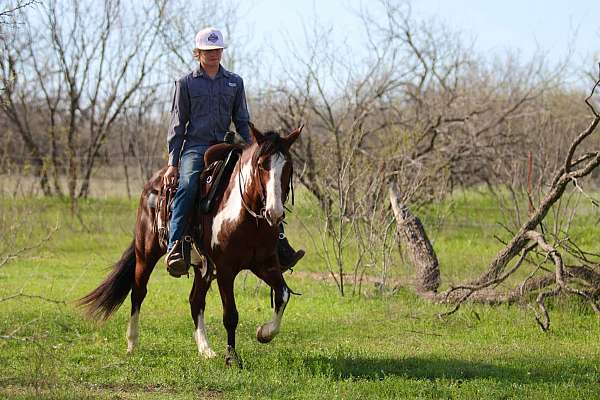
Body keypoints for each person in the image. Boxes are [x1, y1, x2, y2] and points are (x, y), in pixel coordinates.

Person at [164, 27, 304, 277]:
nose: (214, 54)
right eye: (208, 50)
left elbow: (241, 120)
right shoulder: (185, 83)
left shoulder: (234, 82)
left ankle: (279, 241)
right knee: (187, 184)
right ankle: (176, 246)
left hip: (227, 145)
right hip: (195, 148)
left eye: (218, 49)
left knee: (261, 182)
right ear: (198, 53)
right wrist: (173, 163)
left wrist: (255, 146)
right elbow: (177, 124)